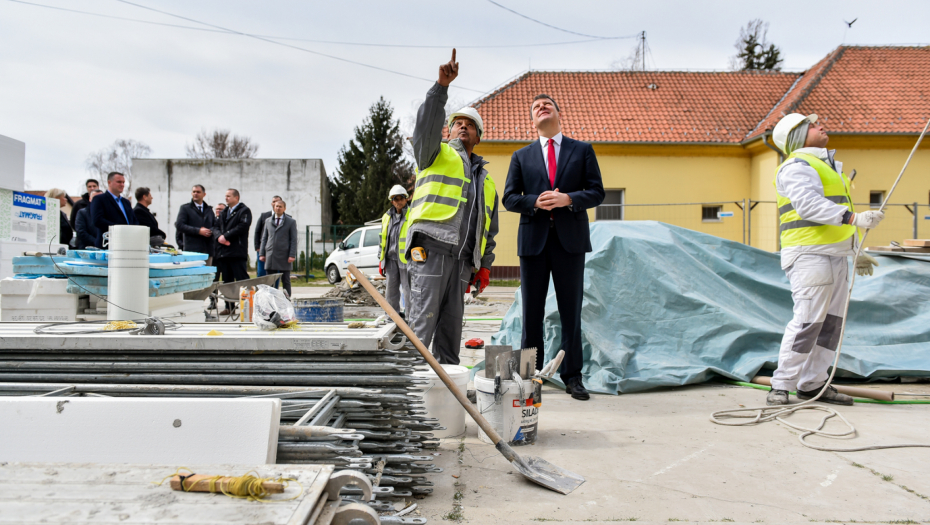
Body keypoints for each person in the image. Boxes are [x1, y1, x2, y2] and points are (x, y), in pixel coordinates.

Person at [766, 113, 884, 407]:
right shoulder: (797, 166)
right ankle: (781, 386)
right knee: (808, 321)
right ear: (797, 135)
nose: (821, 125)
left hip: (833, 256)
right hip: (809, 256)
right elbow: (808, 206)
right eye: (813, 124)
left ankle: (813, 384)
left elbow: (833, 218)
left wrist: (855, 251)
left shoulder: (828, 167)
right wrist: (855, 218)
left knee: (831, 325)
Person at [502, 93, 606, 401]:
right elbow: (509, 198)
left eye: (546, 104)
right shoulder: (521, 156)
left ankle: (572, 375)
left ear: (558, 113)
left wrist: (568, 199)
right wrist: (534, 201)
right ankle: (527, 377)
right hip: (533, 242)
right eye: (535, 107)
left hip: (570, 242)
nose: (541, 108)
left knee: (570, 312)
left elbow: (597, 192)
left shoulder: (582, 150)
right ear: (532, 120)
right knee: (531, 313)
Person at [399, 49, 500, 365]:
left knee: (449, 336)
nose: (463, 127)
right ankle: (409, 395)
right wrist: (441, 88)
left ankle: (446, 398)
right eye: (458, 123)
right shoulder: (434, 153)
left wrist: (483, 265)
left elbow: (489, 230)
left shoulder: (486, 181)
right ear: (449, 130)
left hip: (462, 263)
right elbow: (426, 126)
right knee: (421, 325)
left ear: (478, 136)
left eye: (470, 125)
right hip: (431, 249)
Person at [212, 188, 252, 315]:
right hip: (224, 252)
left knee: (242, 280)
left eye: (229, 196)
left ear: (236, 198)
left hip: (237, 252)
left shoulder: (244, 211)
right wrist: (219, 237)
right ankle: (229, 307)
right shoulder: (224, 212)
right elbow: (215, 226)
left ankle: (248, 306)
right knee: (227, 281)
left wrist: (226, 236)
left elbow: (242, 226)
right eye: (225, 196)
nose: (226, 198)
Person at [379, 185, 409, 314]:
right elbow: (382, 240)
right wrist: (381, 260)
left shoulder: (411, 215)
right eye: (395, 199)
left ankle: (411, 320)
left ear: (406, 199)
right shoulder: (386, 217)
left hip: (406, 260)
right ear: (392, 201)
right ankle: (391, 318)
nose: (398, 201)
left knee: (408, 292)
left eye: (401, 198)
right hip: (390, 260)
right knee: (391, 292)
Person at [259, 199, 298, 297]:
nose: (278, 208)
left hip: (284, 255)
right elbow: (264, 238)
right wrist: (262, 253)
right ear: (274, 207)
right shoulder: (268, 221)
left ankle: (287, 300)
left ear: (284, 208)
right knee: (270, 280)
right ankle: (271, 301)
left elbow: (293, 239)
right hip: (271, 255)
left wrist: (292, 254)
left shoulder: (291, 222)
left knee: (286, 280)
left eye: (280, 206)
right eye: (276, 206)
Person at [90, 172, 139, 248]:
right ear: (109, 182)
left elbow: (134, 220)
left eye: (123, 182)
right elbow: (98, 220)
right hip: (108, 244)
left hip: (127, 243)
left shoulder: (126, 202)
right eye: (119, 182)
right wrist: (120, 229)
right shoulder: (99, 199)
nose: (122, 185)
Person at [175, 185, 214, 262]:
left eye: (198, 192)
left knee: (206, 273)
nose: (195, 194)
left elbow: (215, 225)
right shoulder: (185, 208)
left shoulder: (209, 210)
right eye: (194, 192)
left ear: (204, 194)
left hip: (207, 250)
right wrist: (198, 231)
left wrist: (210, 231)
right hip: (192, 250)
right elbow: (180, 225)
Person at [254, 196, 283, 278]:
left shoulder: (287, 218)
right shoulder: (264, 216)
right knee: (261, 272)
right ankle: (261, 290)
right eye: (274, 201)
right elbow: (257, 231)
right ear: (271, 203)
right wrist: (257, 247)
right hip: (264, 249)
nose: (275, 203)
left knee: (275, 273)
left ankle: (274, 290)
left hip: (279, 251)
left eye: (277, 202)